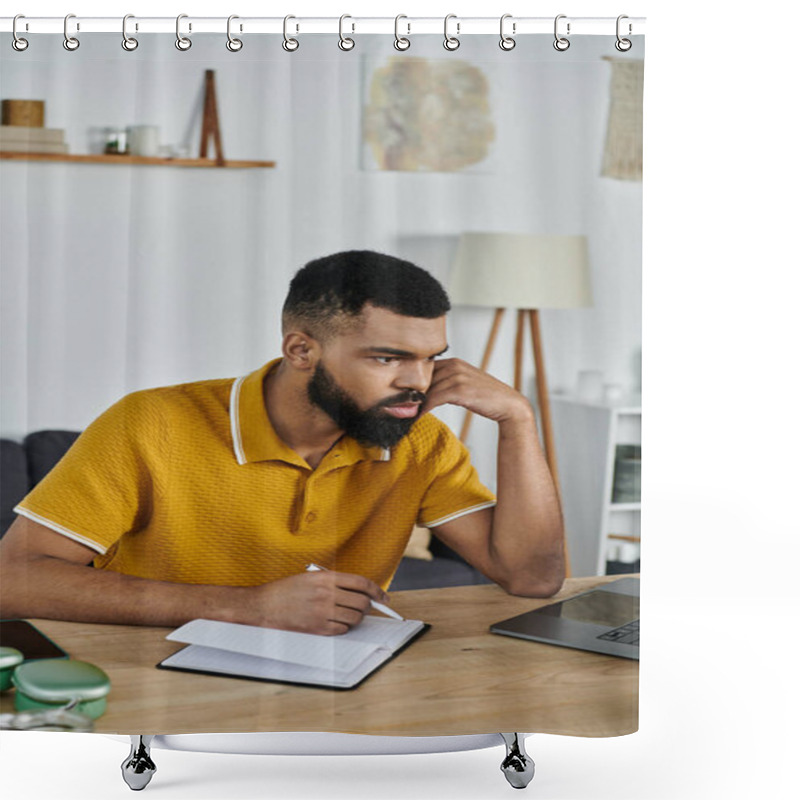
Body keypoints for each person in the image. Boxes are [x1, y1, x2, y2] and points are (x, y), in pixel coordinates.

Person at [0, 251, 565, 635]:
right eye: (387, 358)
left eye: (430, 358)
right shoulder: (151, 424)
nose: (417, 383)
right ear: (301, 351)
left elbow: (532, 579)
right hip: (153, 674)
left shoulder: (421, 441)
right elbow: (12, 580)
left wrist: (518, 419)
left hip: (337, 679)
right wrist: (246, 608)